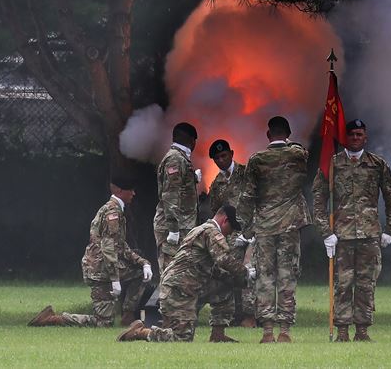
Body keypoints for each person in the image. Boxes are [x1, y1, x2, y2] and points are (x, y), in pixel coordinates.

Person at [312, 118, 391, 342]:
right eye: (351, 135)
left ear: (365, 137)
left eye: (359, 134)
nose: (355, 138)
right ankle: (342, 330)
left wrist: (390, 228)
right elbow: (318, 200)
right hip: (341, 235)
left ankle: (362, 331)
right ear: (345, 137)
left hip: (369, 234)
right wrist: (325, 232)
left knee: (366, 283)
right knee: (343, 283)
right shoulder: (332, 164)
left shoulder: (377, 164)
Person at [28, 176, 153, 327]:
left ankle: (128, 315)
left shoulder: (114, 209)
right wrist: (115, 279)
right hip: (100, 270)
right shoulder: (112, 212)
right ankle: (53, 319)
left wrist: (143, 263)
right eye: (130, 190)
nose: (133, 193)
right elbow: (108, 247)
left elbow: (120, 246)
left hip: (103, 267)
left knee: (140, 272)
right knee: (103, 323)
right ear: (119, 190)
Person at [117, 205, 255, 343]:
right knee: (181, 338)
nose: (229, 235)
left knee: (226, 285)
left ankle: (218, 334)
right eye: (230, 230)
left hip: (188, 287)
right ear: (225, 221)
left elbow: (213, 270)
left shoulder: (200, 230)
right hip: (178, 290)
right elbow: (224, 260)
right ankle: (141, 332)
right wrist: (246, 272)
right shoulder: (211, 232)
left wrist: (240, 279)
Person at [236, 116, 311, 343]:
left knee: (265, 277)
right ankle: (285, 330)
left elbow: (247, 195)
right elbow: (302, 150)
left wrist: (244, 227)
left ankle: (267, 330)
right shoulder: (298, 155)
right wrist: (291, 143)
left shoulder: (257, 160)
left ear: (268, 135)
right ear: (288, 134)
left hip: (265, 226)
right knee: (287, 277)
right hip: (290, 225)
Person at [204, 139, 257, 328]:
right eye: (217, 158)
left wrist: (251, 232)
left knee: (249, 269)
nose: (221, 160)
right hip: (232, 236)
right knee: (231, 271)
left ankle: (251, 316)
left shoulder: (246, 174)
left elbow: (258, 202)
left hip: (252, 232)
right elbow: (216, 212)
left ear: (232, 154)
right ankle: (235, 314)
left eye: (224, 155)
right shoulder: (216, 184)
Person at [153, 122, 200, 274]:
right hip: (174, 227)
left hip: (181, 225)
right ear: (192, 140)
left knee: (181, 274)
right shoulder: (176, 159)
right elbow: (170, 194)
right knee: (171, 274)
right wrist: (173, 229)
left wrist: (193, 179)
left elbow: (179, 187)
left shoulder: (179, 158)